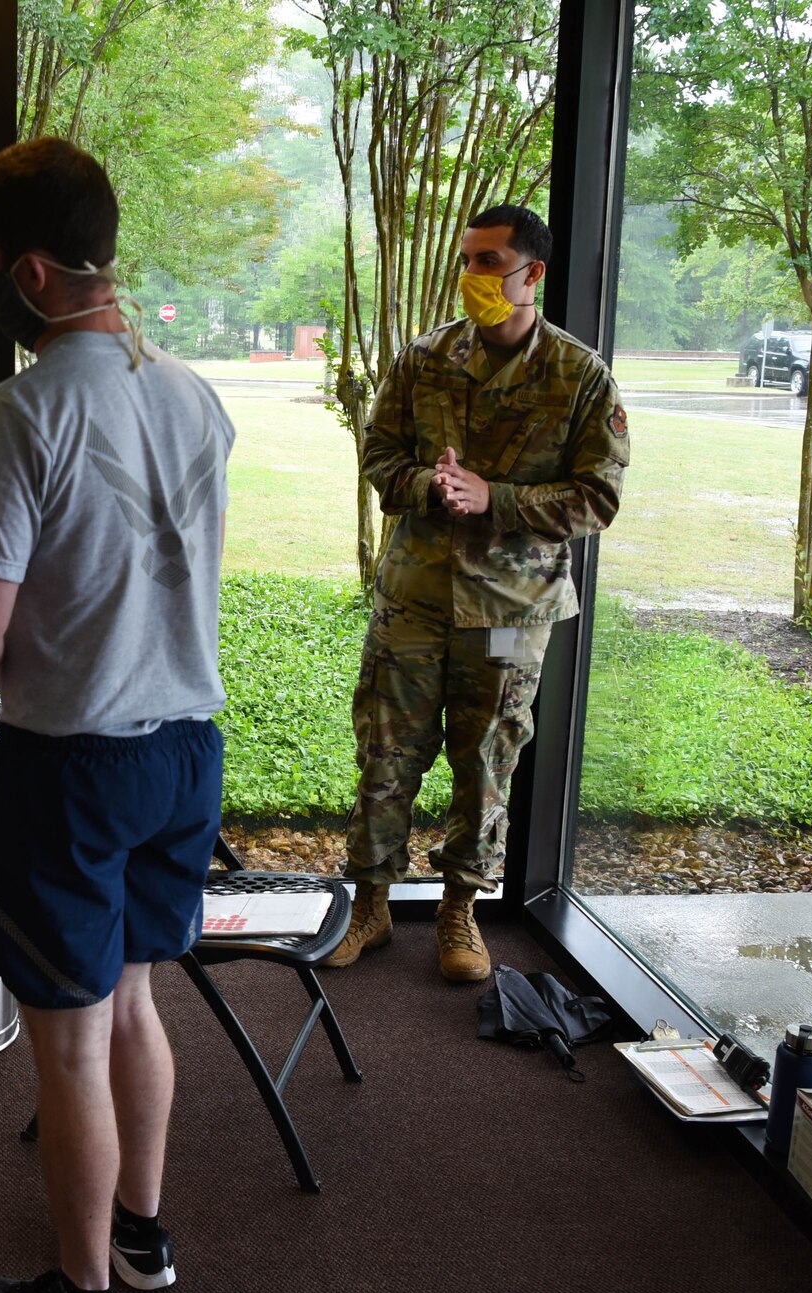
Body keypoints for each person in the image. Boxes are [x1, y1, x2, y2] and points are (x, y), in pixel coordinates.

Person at [0, 137, 233, 1293]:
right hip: (183, 750)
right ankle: (141, 1234)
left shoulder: (20, 413)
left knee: (65, 1038)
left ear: (36, 274)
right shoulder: (192, 393)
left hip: (72, 767)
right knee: (134, 1000)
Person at [325, 205, 628, 982]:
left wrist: (497, 497)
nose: (474, 276)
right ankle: (371, 901)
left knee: (487, 756)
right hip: (416, 600)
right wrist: (432, 485)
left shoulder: (580, 376)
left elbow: (595, 498)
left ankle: (460, 908)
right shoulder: (424, 358)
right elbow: (381, 455)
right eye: (468, 260)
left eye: (491, 261)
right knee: (386, 752)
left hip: (509, 613)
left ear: (534, 274)